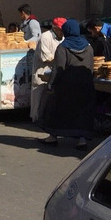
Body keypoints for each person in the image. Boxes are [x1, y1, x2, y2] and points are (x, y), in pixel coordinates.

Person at [41, 19, 95, 150]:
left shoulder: (63, 47)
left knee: (57, 110)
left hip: (66, 86)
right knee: (82, 112)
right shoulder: (88, 47)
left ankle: (53, 136)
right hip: (85, 85)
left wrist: (51, 84)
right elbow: (91, 67)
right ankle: (82, 140)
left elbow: (58, 68)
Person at [30, 18, 65, 124]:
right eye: (61, 29)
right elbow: (46, 57)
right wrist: (62, 59)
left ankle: (48, 119)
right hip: (42, 71)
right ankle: (36, 119)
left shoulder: (63, 37)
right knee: (39, 98)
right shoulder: (45, 37)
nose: (63, 31)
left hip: (54, 71)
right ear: (55, 28)